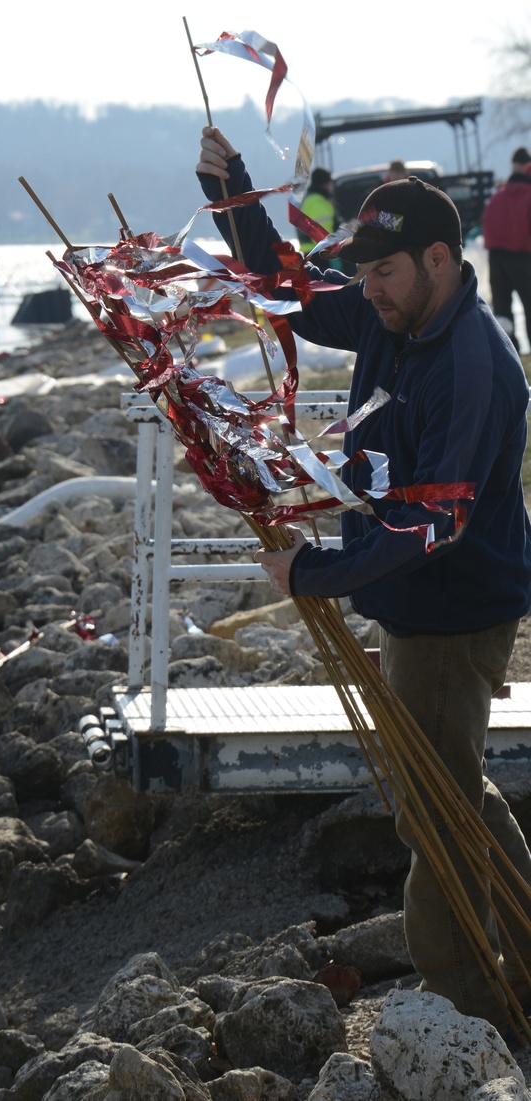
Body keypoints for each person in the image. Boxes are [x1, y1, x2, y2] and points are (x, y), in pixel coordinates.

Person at [196, 125, 531, 1033]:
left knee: (430, 807)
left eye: (383, 271)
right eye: (363, 269)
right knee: (450, 780)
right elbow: (291, 295)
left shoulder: (473, 364)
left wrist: (318, 571)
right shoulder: (397, 314)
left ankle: (468, 997)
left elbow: (436, 520)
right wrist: (237, 197)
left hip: (453, 608)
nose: (366, 288)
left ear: (438, 258)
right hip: (413, 598)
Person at [481, 146, 531, 350]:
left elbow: (486, 223)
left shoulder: (498, 196)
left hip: (497, 257)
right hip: (524, 258)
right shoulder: (528, 195)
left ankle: (509, 353)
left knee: (502, 311)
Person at [296, 167, 337, 261]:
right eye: (330, 183)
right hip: (319, 254)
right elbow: (322, 234)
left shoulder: (311, 199)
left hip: (313, 252)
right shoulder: (317, 202)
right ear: (325, 184)